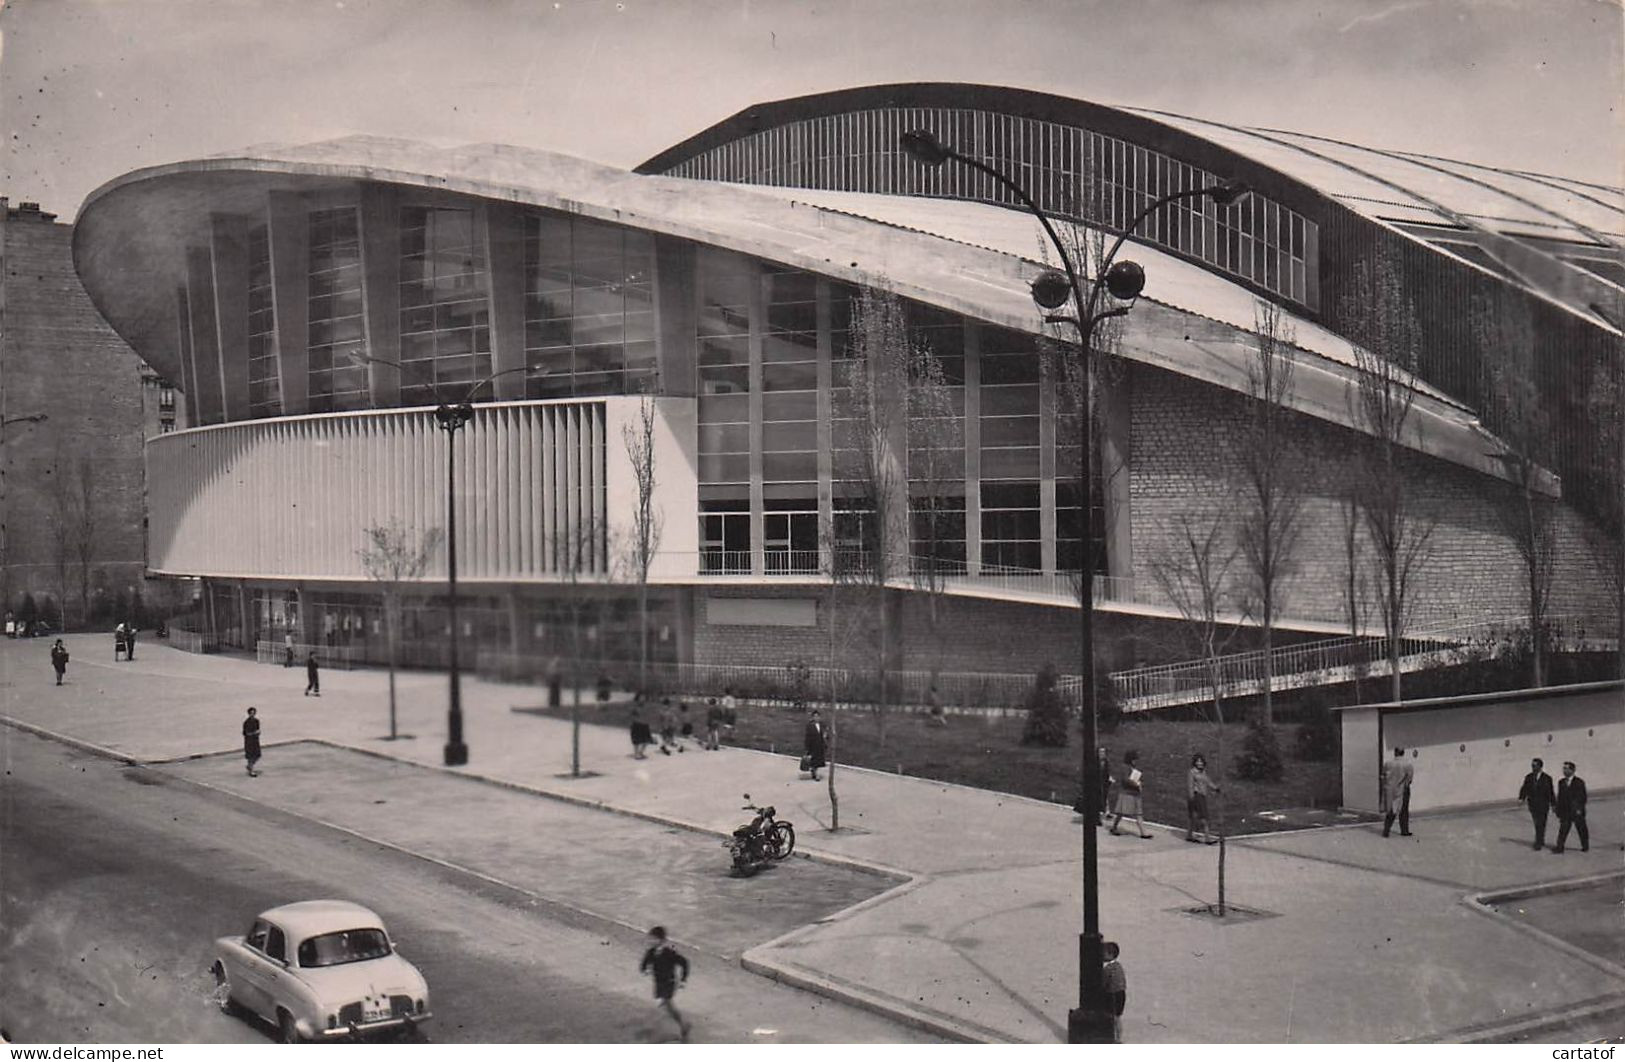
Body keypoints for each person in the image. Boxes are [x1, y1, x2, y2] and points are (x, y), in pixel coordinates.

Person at [638, 926, 691, 1042]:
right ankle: (683, 1026)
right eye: (650, 938)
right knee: (669, 1008)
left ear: (661, 940)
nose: (650, 941)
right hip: (658, 984)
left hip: (669, 983)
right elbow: (643, 965)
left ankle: (653, 1035)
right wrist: (645, 971)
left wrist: (683, 979)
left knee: (661, 1004)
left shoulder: (669, 953)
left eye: (653, 939)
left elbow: (684, 963)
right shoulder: (651, 952)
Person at [1110, 751, 1152, 838]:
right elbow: (1125, 780)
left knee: (1138, 813)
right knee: (1121, 813)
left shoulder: (1133, 768)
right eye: (1134, 759)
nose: (1135, 761)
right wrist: (1136, 784)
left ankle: (1143, 832)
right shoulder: (1125, 767)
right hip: (1127, 793)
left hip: (1135, 793)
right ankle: (1114, 827)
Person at [1518, 757, 1556, 850]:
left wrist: (1553, 804)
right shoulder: (1529, 777)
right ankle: (1540, 839)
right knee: (1537, 823)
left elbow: (1551, 792)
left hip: (1543, 804)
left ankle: (1538, 842)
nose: (1533, 767)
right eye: (1532, 766)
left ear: (1540, 766)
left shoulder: (1547, 778)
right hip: (1533, 804)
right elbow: (1524, 788)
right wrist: (1521, 798)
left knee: (1541, 823)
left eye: (1535, 766)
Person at [1553, 760, 1589, 854]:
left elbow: (1582, 797)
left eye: (1566, 768)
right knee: (1563, 830)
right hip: (1565, 811)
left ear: (1572, 770)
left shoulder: (1579, 782)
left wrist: (1579, 809)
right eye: (1563, 768)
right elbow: (1560, 797)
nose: (1564, 771)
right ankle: (1559, 847)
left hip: (1576, 811)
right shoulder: (1561, 782)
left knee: (1581, 829)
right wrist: (1558, 809)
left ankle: (1585, 846)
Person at [1186, 753, 1220, 844]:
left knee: (1195, 817)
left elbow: (1208, 781)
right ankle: (1207, 838)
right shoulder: (1192, 772)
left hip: (1202, 796)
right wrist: (1191, 798)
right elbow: (1190, 786)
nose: (1199, 763)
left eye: (1201, 761)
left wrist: (1215, 788)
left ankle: (1189, 835)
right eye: (1198, 762)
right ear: (1195, 763)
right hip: (1196, 796)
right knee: (1204, 817)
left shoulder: (1203, 772)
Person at [1382, 746, 1414, 838]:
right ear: (1403, 753)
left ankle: (1386, 830)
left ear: (1395, 753)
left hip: (1390, 789)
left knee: (1391, 810)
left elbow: (1383, 775)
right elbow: (1409, 779)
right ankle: (1404, 830)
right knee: (1403, 810)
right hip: (1402, 789)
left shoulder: (1388, 763)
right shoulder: (1407, 764)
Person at [1101, 940, 1127, 1043]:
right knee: (1117, 1017)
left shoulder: (1108, 969)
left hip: (1112, 995)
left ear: (1110, 955)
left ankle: (1114, 1038)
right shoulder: (1118, 966)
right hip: (1121, 994)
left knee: (1112, 1017)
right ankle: (1118, 1037)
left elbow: (1104, 982)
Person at [803, 709, 827, 782]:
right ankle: (815, 774)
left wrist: (825, 736)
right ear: (812, 717)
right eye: (815, 716)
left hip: (820, 745)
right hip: (813, 745)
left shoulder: (822, 725)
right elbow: (807, 737)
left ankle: (814, 771)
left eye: (818, 716)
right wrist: (807, 747)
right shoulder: (810, 726)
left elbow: (825, 733)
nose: (816, 718)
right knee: (814, 760)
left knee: (818, 761)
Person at [242, 707, 262, 777]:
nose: (252, 715)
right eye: (251, 713)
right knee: (251, 756)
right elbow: (246, 733)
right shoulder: (246, 722)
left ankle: (250, 766)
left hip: (255, 740)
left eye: (253, 713)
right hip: (249, 741)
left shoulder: (256, 721)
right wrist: (254, 733)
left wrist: (258, 732)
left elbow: (258, 729)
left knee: (257, 755)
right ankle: (251, 770)